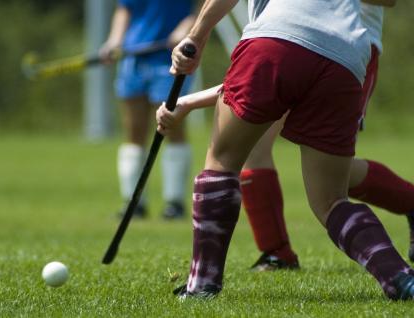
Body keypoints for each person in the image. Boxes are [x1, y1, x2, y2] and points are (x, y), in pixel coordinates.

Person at [159, 0, 414, 300]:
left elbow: (282, 44)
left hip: (275, 38)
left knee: (221, 160)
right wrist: (188, 103)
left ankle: (202, 285)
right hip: (346, 55)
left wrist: (196, 36)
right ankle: (401, 279)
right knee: (331, 200)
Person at [99, 0, 197, 219]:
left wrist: (189, 27)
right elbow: (124, 9)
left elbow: (206, 7)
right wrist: (114, 41)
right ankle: (134, 203)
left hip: (171, 58)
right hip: (133, 57)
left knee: (172, 126)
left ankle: (174, 203)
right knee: (134, 131)